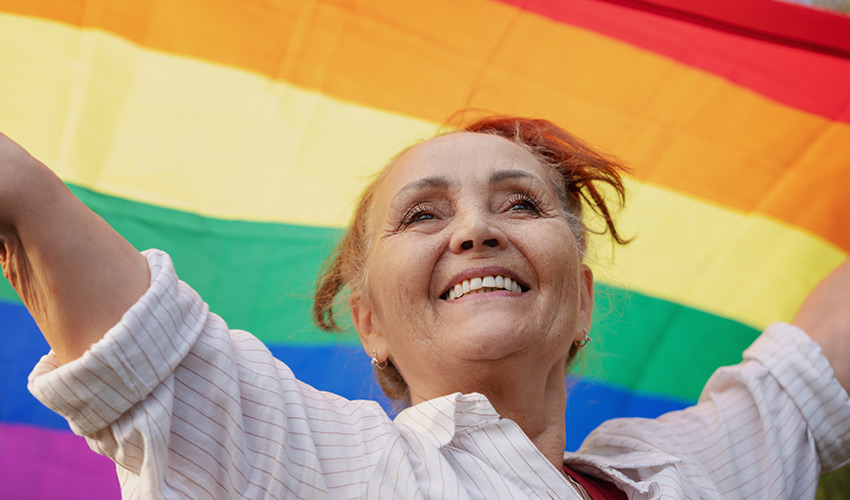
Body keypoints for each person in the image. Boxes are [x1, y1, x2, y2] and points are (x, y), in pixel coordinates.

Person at [1, 116, 848, 499]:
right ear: (369, 321)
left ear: (581, 299)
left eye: (520, 204)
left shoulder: (691, 475)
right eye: (423, 215)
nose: (477, 229)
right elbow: (40, 221)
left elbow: (807, 378)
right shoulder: (322, 472)